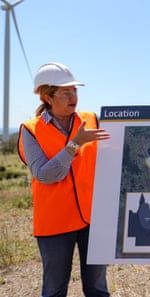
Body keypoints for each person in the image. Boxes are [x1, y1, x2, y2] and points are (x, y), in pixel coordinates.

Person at [17, 62, 111, 297]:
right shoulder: (30, 130)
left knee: (98, 289)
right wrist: (74, 144)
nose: (73, 97)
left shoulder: (93, 120)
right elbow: (45, 174)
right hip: (55, 222)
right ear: (47, 97)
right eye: (65, 92)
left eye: (75, 91)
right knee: (55, 290)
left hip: (92, 219)